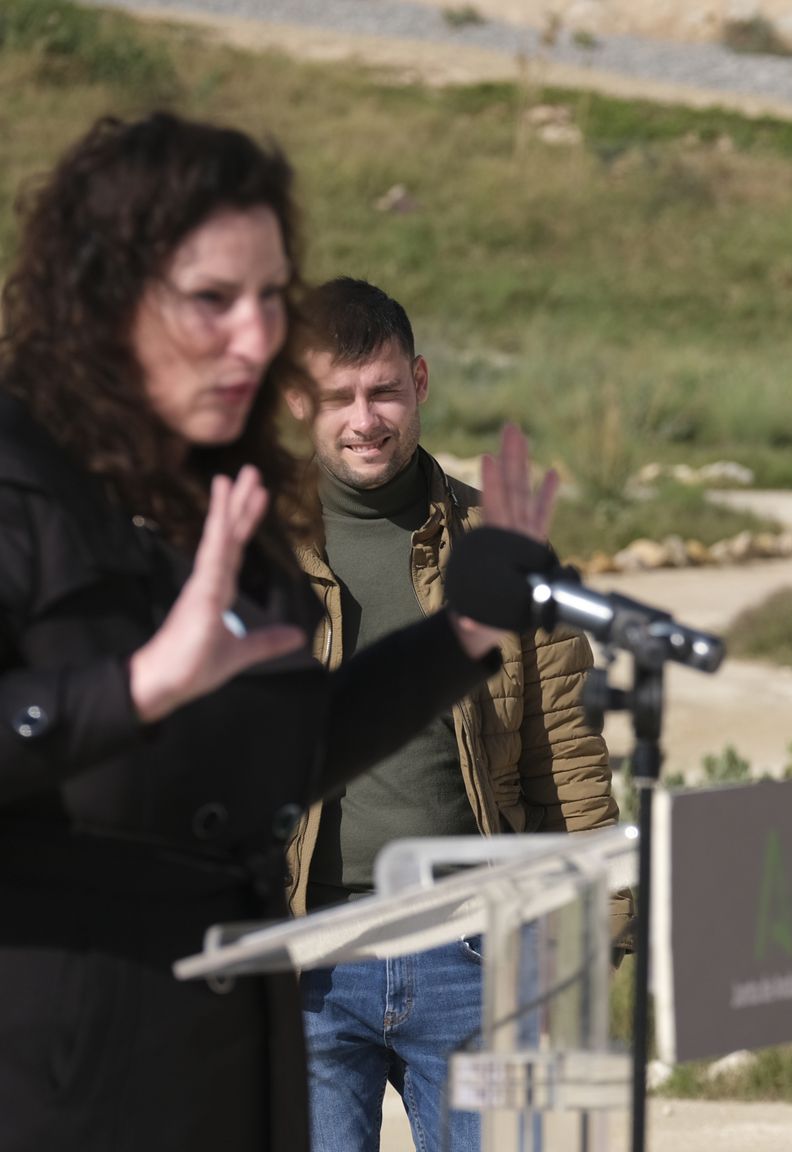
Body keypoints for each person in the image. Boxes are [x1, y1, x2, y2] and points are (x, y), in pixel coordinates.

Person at [0, 113, 552, 1152]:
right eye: (213, 300)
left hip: (233, 1071)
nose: (256, 338)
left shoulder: (228, 493)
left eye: (269, 298)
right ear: (102, 296)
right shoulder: (16, 475)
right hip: (62, 1082)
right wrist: (133, 689)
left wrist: (462, 633)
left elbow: (291, 752)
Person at [284, 276, 629, 1152]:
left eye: (385, 390)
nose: (366, 418)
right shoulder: (255, 553)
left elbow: (567, 747)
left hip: (472, 950)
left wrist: (606, 920)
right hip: (306, 954)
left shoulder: (501, 550)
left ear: (422, 382)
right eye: (338, 396)